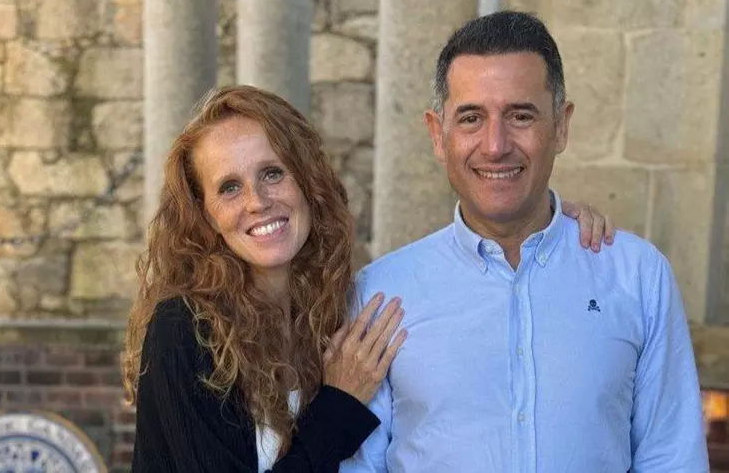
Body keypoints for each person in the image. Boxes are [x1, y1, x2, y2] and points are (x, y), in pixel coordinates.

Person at [121, 85, 614, 472]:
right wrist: (339, 405)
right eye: (229, 187)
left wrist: (546, 223)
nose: (257, 201)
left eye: (272, 173)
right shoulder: (186, 330)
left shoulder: (329, 312)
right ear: (205, 215)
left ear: (307, 181)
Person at [340, 11, 708, 473]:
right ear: (438, 134)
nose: (496, 145)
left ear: (561, 126)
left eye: (520, 116)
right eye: (471, 118)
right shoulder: (380, 293)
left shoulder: (637, 276)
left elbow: (671, 459)